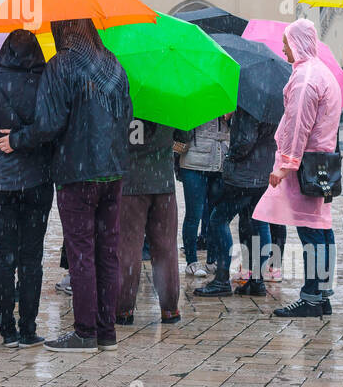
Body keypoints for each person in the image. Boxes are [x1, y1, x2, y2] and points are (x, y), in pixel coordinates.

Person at [0, 18, 133, 354]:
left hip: (77, 172)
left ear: (62, 29)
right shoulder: (114, 65)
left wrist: (17, 139)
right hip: (113, 172)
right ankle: (107, 331)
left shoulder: (61, 66)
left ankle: (85, 332)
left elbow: (48, 124)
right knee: (107, 251)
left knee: (81, 252)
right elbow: (127, 115)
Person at [255, 19, 343, 318]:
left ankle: (311, 297)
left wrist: (286, 164)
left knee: (310, 231)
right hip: (322, 160)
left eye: (286, 42)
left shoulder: (306, 79)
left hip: (307, 162)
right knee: (320, 227)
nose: (283, 48)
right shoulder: (323, 73)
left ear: (298, 42)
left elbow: (298, 125)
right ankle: (321, 295)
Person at [0, 29, 51, 346]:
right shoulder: (44, 83)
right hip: (37, 180)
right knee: (31, 257)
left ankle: (7, 330)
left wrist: (0, 122)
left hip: (0, 182)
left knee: (3, 256)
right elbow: (49, 126)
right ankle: (28, 327)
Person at [193, 107, 279, 299]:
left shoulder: (250, 101)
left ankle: (222, 279)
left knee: (218, 219)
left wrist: (231, 156)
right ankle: (257, 282)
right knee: (257, 222)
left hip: (244, 174)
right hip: (263, 171)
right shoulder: (274, 99)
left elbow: (245, 141)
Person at [116, 119, 185, 324]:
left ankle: (123, 309)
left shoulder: (125, 101)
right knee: (166, 248)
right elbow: (184, 140)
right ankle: (170, 308)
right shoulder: (169, 100)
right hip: (163, 182)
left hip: (130, 184)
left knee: (128, 247)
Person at [177, 116, 229, 279]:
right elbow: (181, 132)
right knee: (194, 214)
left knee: (216, 215)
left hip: (220, 162)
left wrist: (230, 118)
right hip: (194, 163)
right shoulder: (196, 99)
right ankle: (191, 262)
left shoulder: (228, 100)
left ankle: (212, 261)